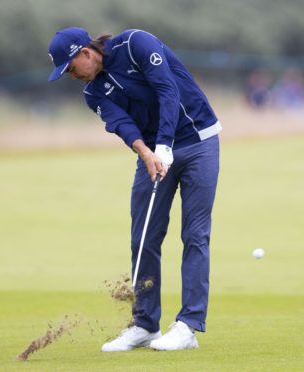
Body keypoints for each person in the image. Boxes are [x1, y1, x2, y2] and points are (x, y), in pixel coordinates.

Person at [47, 27, 221, 352]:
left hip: (198, 139)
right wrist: (147, 151)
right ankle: (145, 324)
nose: (72, 76)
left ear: (86, 53)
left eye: (70, 68)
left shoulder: (135, 43)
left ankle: (188, 325)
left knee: (195, 234)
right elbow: (122, 124)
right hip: (153, 152)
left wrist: (165, 144)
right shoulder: (92, 92)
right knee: (143, 236)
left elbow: (167, 90)